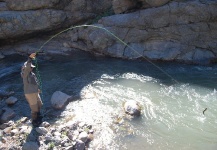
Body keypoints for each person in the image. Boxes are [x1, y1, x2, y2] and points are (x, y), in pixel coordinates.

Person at [21, 53, 43, 126]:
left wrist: (38, 89)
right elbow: (27, 66)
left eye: (32, 67)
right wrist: (30, 58)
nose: (32, 68)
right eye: (31, 67)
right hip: (30, 94)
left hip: (35, 92)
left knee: (40, 104)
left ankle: (38, 116)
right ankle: (34, 121)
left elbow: (34, 83)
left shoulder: (32, 74)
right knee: (34, 109)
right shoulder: (25, 74)